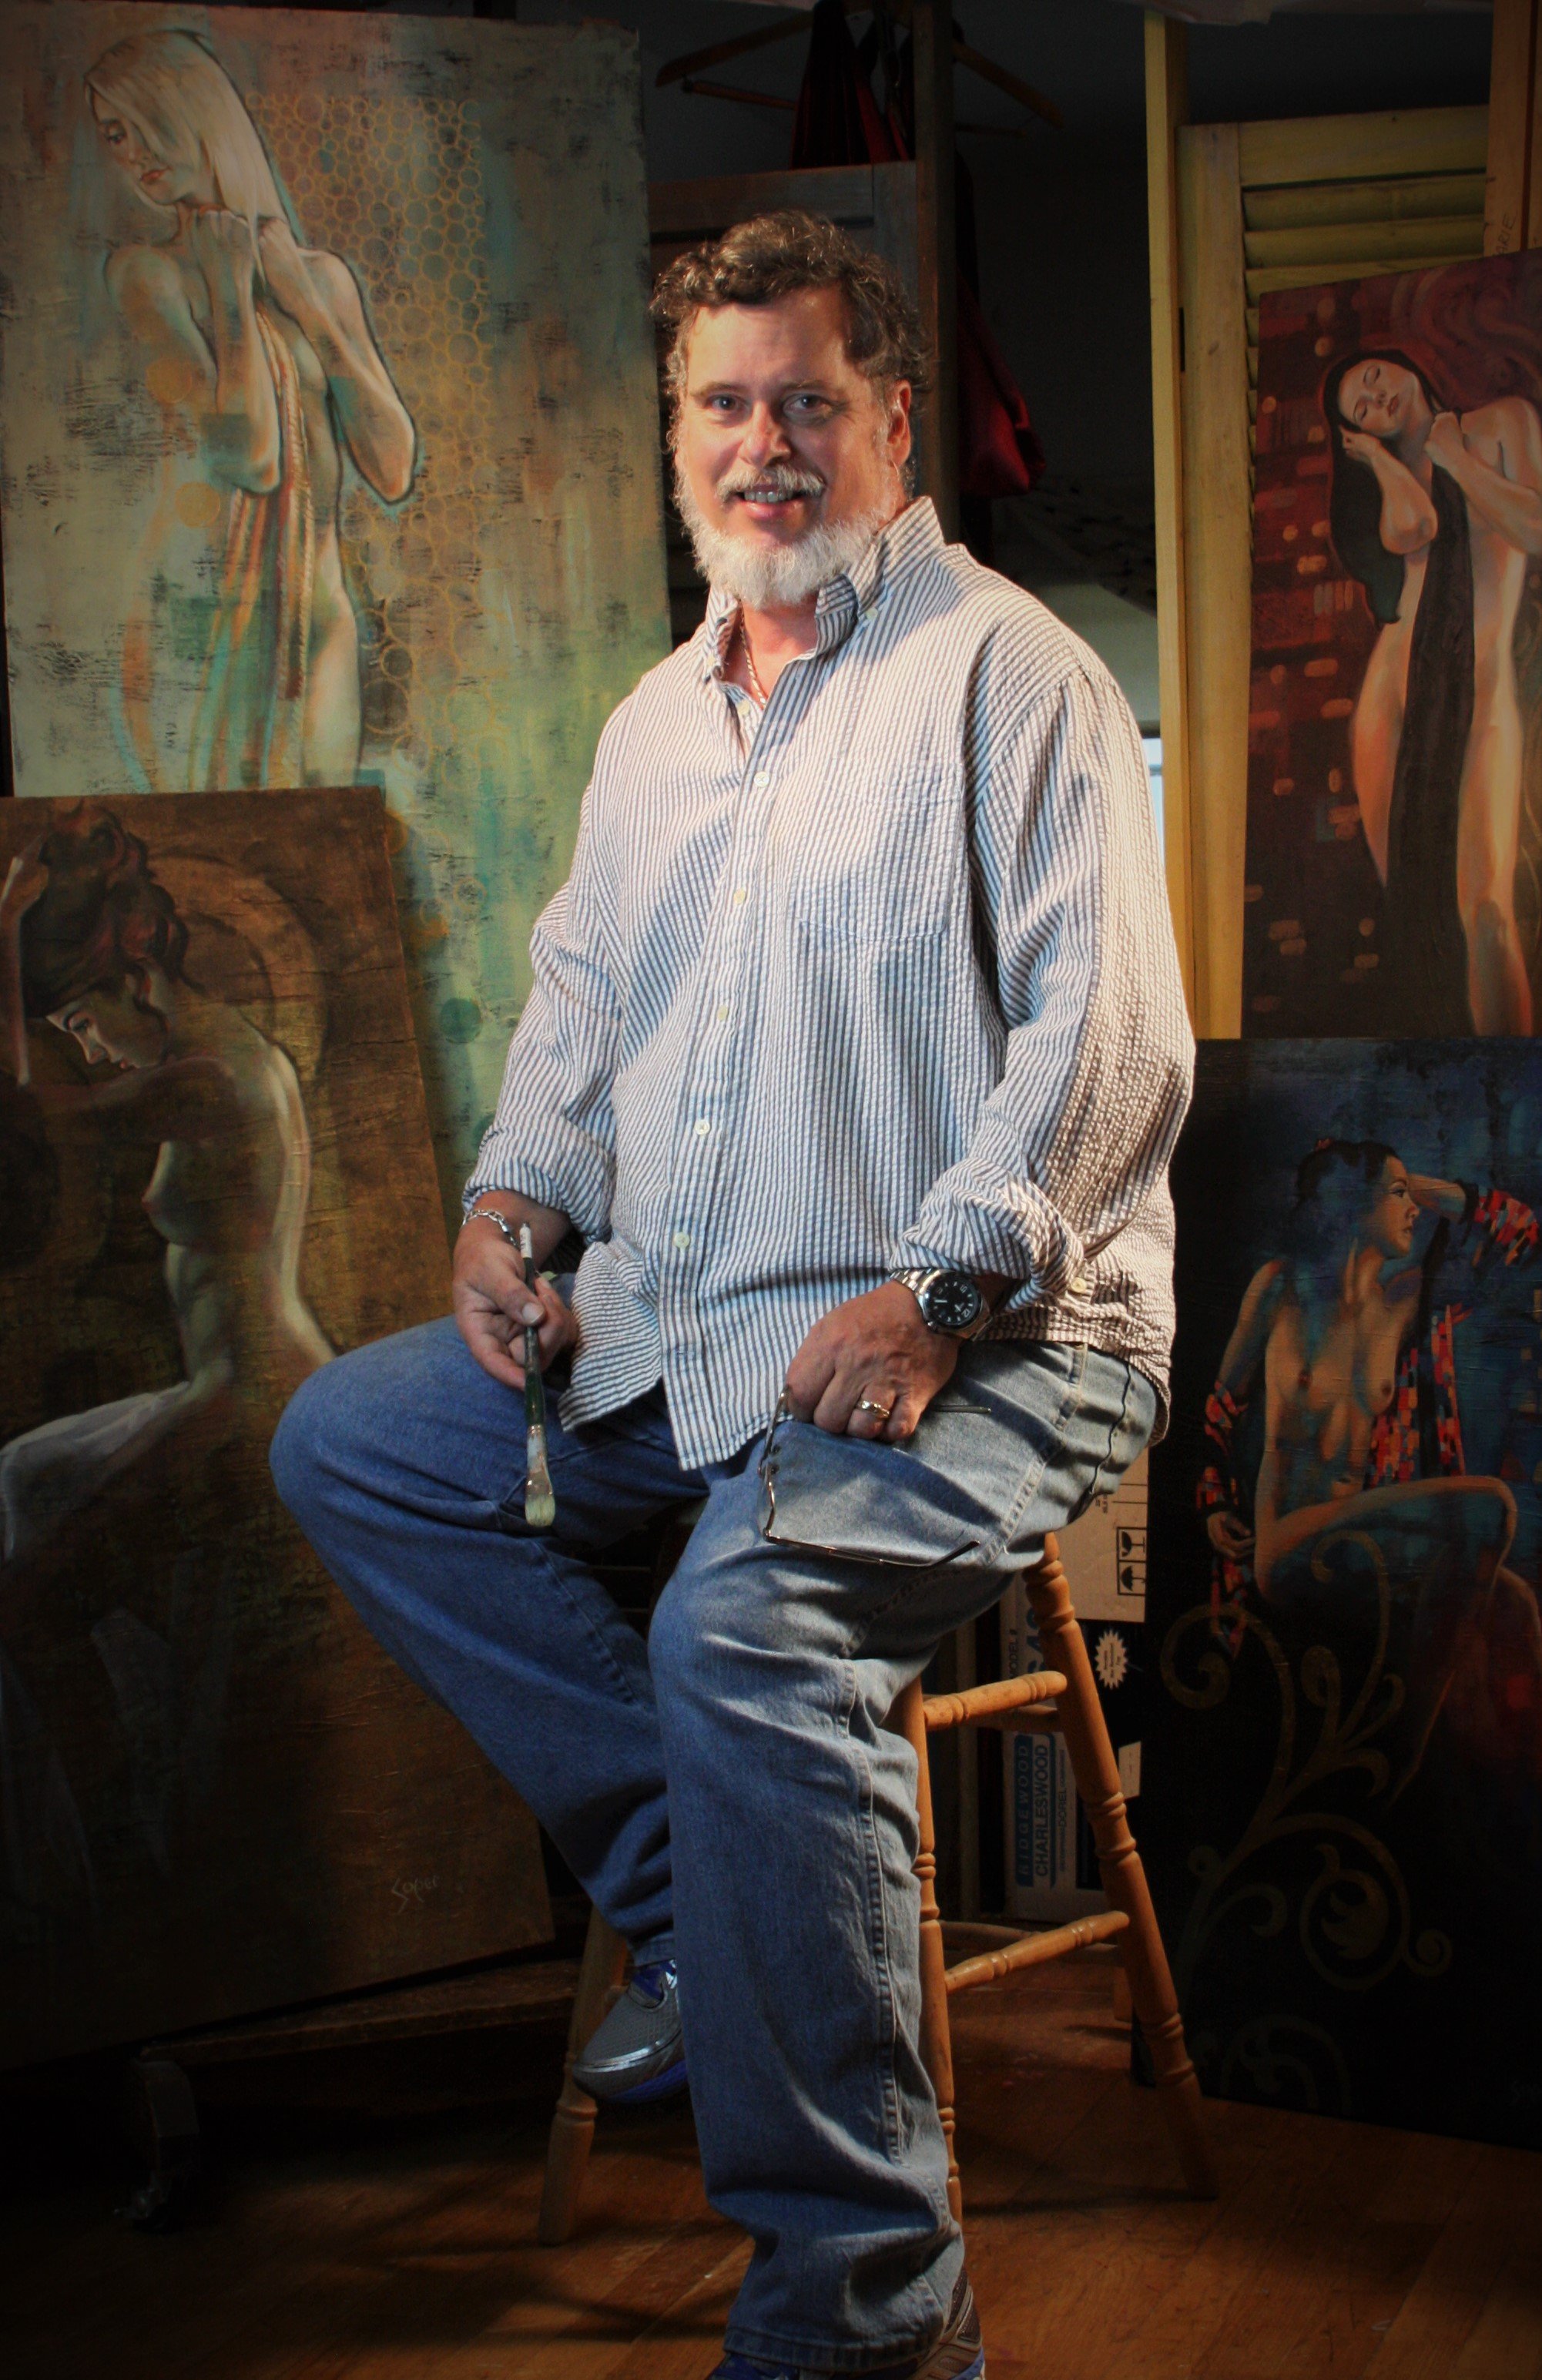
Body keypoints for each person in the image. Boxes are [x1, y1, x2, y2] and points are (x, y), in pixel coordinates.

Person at [270, 211, 1191, 2380]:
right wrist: (514, 1208)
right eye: (723, 404)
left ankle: (868, 2320)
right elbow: (584, 1013)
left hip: (1011, 1333)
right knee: (356, 1441)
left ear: (892, 422)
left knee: (747, 1629)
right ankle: (712, 1907)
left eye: (806, 402)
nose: (762, 444)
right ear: (676, 432)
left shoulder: (1012, 676)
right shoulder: (653, 730)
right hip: (697, 1326)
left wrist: (934, 1288)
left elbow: (1109, 1045)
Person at [85, 28, 417, 791]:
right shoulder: (148, 276)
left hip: (320, 622)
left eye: (143, 122)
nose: (134, 153)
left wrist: (309, 308)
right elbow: (251, 458)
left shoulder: (318, 279)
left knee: (322, 843)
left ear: (194, 109)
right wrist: (232, 294)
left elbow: (394, 468)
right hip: (201, 631)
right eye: (114, 135)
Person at [0, 806, 332, 1567]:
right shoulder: (228, 1052)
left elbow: (22, 1119)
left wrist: (9, 923)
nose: (91, 1051)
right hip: (227, 1382)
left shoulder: (208, 1084)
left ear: (136, 980)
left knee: (35, 1565)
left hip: (251, 1394)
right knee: (23, 1477)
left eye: (82, 1024)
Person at [1198, 1138, 1542, 1780]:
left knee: (1516, 1605)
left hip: (1363, 1542)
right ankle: (1399, 1758)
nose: (1414, 1209)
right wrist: (1215, 1502)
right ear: (1352, 1202)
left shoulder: (1404, 1302)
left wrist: (1421, 1186)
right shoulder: (1281, 1286)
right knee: (1490, 1508)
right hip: (1285, 1545)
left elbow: (1524, 1240)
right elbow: (1220, 1405)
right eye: (1398, 1194)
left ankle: (1500, 1794)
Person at [1325, 349, 1542, 1035]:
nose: (1377, 397)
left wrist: (1455, 458)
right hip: (1394, 703)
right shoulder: (1388, 482)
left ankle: (1515, 1098)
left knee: (1489, 914)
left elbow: (1534, 528)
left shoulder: (1502, 423)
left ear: (1401, 365)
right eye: (1360, 410)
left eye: (1374, 378)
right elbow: (1418, 527)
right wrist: (1384, 460)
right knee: (1420, 919)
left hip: (1483, 695)